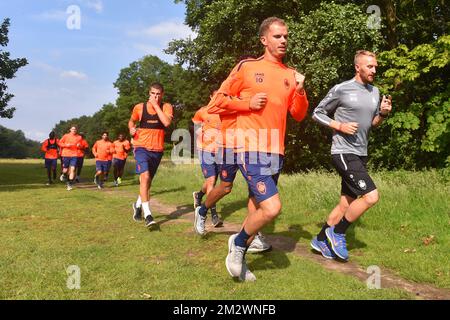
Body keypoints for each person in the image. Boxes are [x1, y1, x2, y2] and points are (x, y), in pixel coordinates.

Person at [203, 17, 309, 281]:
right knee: (272, 208)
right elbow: (217, 102)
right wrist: (247, 103)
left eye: (286, 36)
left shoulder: (289, 74)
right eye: (277, 36)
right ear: (264, 39)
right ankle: (237, 245)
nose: (283, 40)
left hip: (276, 150)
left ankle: (240, 258)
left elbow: (298, 114)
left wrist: (300, 89)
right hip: (250, 147)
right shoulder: (247, 67)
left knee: (256, 209)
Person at [310, 50, 393, 261]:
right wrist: (339, 125)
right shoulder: (342, 89)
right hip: (343, 152)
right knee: (371, 196)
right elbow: (317, 113)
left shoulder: (375, 92)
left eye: (375, 66)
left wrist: (382, 114)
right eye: (370, 66)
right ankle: (337, 232)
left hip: (361, 152)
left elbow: (372, 124)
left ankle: (320, 239)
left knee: (346, 204)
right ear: (358, 67)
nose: (374, 70)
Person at [129, 83, 173, 228]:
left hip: (157, 150)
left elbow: (166, 122)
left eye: (158, 94)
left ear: (162, 94)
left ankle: (137, 205)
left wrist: (156, 106)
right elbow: (131, 120)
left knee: (147, 182)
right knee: (145, 177)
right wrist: (131, 128)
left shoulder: (166, 107)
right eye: (153, 93)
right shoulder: (139, 107)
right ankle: (148, 215)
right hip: (141, 146)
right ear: (149, 93)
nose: (155, 96)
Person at [192, 92, 223, 227]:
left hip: (221, 152)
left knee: (212, 180)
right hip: (205, 150)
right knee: (211, 181)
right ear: (210, 97)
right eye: (215, 96)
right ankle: (214, 214)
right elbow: (195, 125)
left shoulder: (226, 112)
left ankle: (199, 195)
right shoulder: (203, 111)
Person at [59, 126, 82, 191]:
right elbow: (60, 143)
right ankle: (63, 174)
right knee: (65, 169)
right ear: (70, 130)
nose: (74, 130)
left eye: (75, 129)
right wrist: (66, 145)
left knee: (72, 169)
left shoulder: (79, 137)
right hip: (66, 154)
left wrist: (79, 145)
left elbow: (80, 145)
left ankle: (69, 184)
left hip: (74, 155)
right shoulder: (66, 136)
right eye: (73, 129)